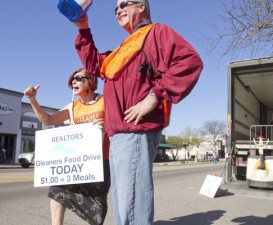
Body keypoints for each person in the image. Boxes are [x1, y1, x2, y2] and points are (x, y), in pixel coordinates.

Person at [71, 1, 203, 224]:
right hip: (118, 135)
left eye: (124, 4)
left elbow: (189, 61)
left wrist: (154, 96)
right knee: (125, 205)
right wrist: (83, 27)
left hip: (134, 131)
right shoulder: (123, 49)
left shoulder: (156, 33)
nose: (118, 10)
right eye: (115, 8)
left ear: (141, 6)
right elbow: (93, 63)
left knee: (131, 207)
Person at [23, 68, 110, 225]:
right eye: (72, 80)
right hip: (78, 160)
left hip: (102, 160)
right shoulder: (73, 106)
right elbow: (48, 120)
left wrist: (107, 126)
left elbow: (119, 124)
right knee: (57, 189)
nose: (73, 81)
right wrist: (33, 100)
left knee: (98, 205)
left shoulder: (105, 101)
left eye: (78, 78)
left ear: (90, 81)